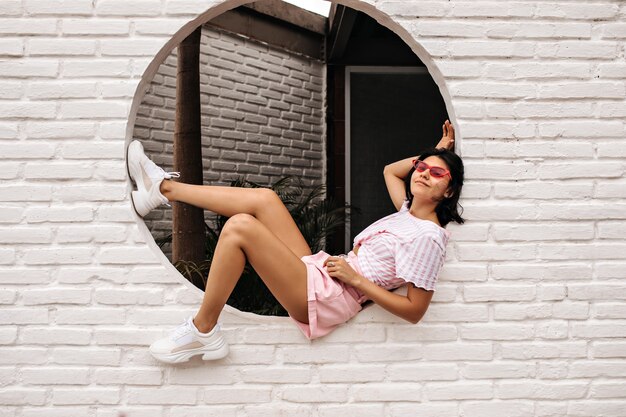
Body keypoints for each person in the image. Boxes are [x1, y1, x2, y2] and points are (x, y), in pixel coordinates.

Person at [128, 120, 464, 364]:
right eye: (421, 167)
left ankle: (203, 330)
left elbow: (415, 310)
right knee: (265, 200)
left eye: (436, 174)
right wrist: (438, 153)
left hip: (333, 295)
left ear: (448, 191)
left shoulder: (428, 237)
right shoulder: (406, 213)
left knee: (241, 227)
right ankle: (160, 190)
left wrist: (355, 279)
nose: (422, 173)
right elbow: (391, 170)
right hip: (324, 275)